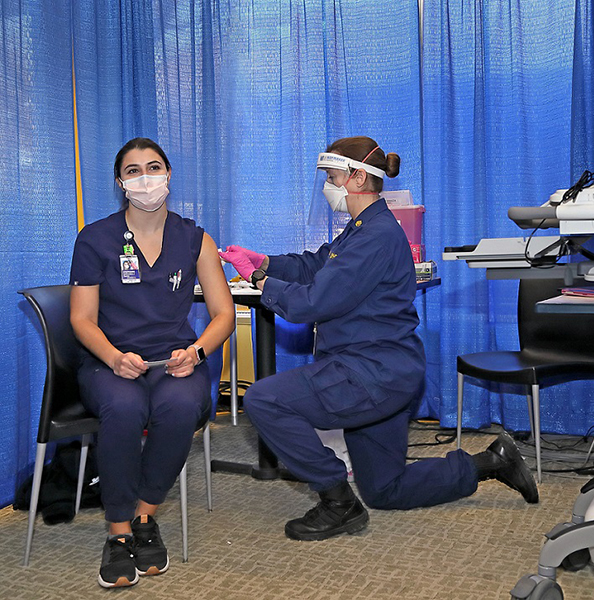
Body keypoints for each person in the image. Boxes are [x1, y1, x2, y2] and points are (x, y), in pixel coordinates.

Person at [220, 136, 537, 542]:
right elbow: (317, 264)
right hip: (389, 372)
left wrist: (260, 281)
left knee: (265, 400)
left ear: (355, 178)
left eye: (332, 177)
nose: (327, 187)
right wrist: (265, 261)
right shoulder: (364, 228)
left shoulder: (375, 236)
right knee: (387, 489)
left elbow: (310, 303)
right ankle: (491, 462)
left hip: (367, 374)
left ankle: (338, 502)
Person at [70, 137, 235, 587]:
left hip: (176, 362)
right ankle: (118, 531)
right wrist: (113, 357)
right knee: (123, 408)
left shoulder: (195, 239)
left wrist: (197, 352)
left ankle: (145, 517)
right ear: (121, 183)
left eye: (154, 167)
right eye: (134, 170)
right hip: (110, 362)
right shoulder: (95, 239)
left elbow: (224, 315)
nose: (146, 178)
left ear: (168, 175)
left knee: (180, 407)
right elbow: (82, 320)